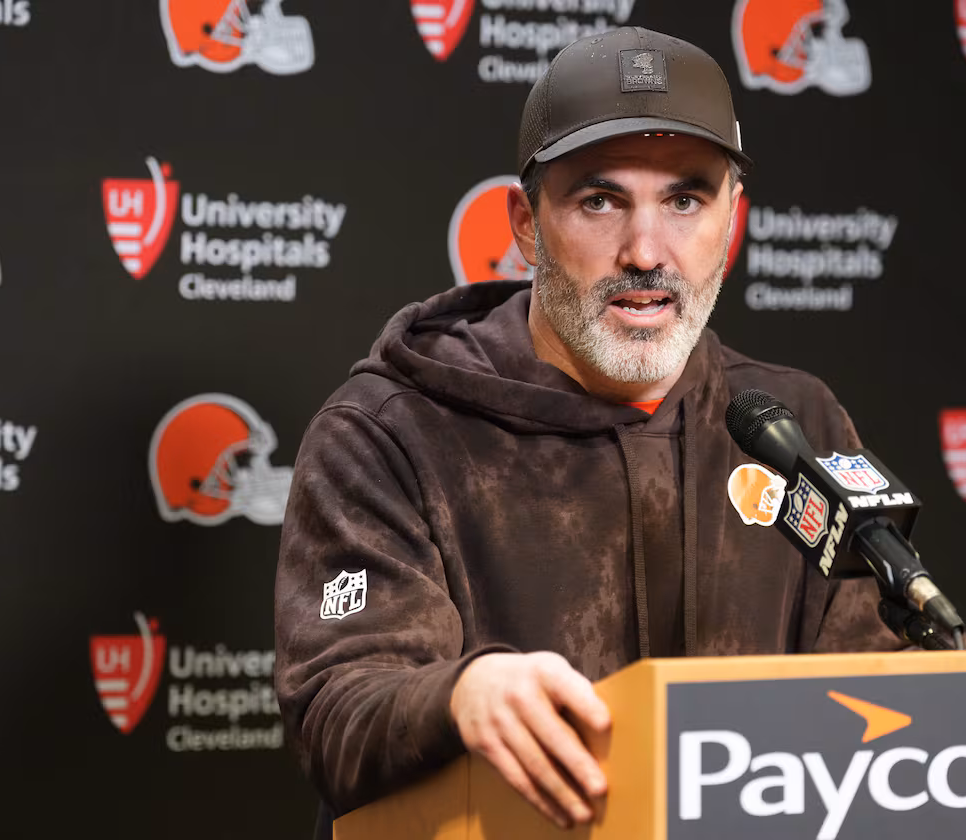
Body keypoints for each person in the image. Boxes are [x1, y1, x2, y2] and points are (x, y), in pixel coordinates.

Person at [274, 25, 905, 836]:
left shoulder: (798, 422)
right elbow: (340, 707)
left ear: (732, 218)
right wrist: (461, 696)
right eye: (599, 200)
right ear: (528, 224)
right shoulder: (388, 433)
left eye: (685, 199)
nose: (646, 251)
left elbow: (884, 693)